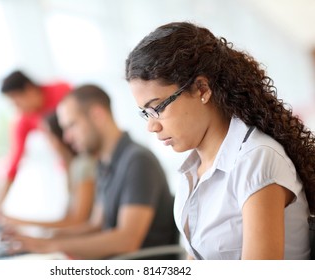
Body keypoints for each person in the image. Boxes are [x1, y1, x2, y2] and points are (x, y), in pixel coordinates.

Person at [125, 21, 315, 260]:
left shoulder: (256, 159)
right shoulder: (192, 170)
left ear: (202, 89)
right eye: (146, 113)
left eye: (157, 108)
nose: (152, 126)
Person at [3, 84, 177, 259]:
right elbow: (96, 225)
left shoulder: (137, 160)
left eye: (72, 125)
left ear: (96, 115)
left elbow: (127, 240)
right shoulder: (105, 163)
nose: (67, 137)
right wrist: (44, 239)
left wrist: (52, 245)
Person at [1, 111, 97, 230]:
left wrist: (21, 223)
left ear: (59, 137)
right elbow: (67, 218)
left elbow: (78, 221)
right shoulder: (69, 169)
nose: (47, 142)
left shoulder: (83, 165)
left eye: (48, 136)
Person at [0, 70, 72, 211]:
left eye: (16, 101)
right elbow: (14, 162)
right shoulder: (23, 119)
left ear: (29, 89)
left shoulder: (62, 90)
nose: (17, 108)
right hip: (66, 164)